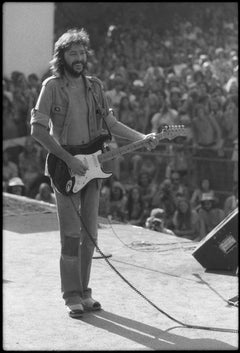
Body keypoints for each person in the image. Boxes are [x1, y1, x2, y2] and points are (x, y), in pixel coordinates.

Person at [30, 28, 158, 319]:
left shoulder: (95, 86)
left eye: (82, 52)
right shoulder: (51, 86)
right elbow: (37, 130)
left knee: (90, 235)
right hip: (64, 167)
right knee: (70, 234)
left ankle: (85, 292)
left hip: (93, 167)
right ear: (61, 57)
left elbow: (110, 123)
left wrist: (143, 136)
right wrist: (67, 159)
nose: (78, 58)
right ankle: (70, 294)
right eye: (72, 53)